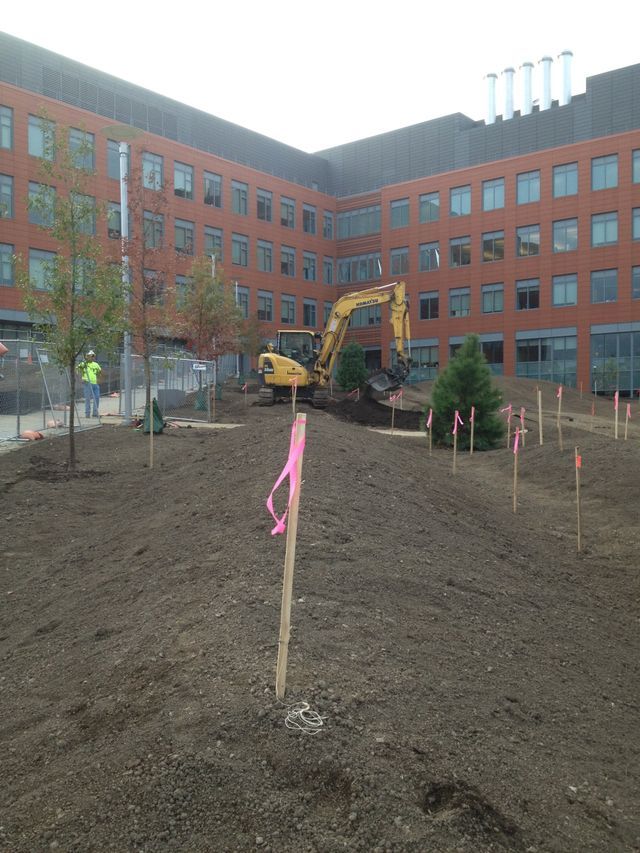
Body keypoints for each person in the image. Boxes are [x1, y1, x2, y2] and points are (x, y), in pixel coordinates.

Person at [78, 349, 102, 417]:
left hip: (95, 383)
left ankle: (95, 413)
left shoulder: (96, 364)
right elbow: (77, 370)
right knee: (88, 398)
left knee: (96, 397)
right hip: (87, 383)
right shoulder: (84, 364)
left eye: (93, 356)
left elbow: (99, 372)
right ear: (87, 356)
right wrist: (80, 379)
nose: (92, 357)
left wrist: (99, 379)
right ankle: (87, 413)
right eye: (91, 356)